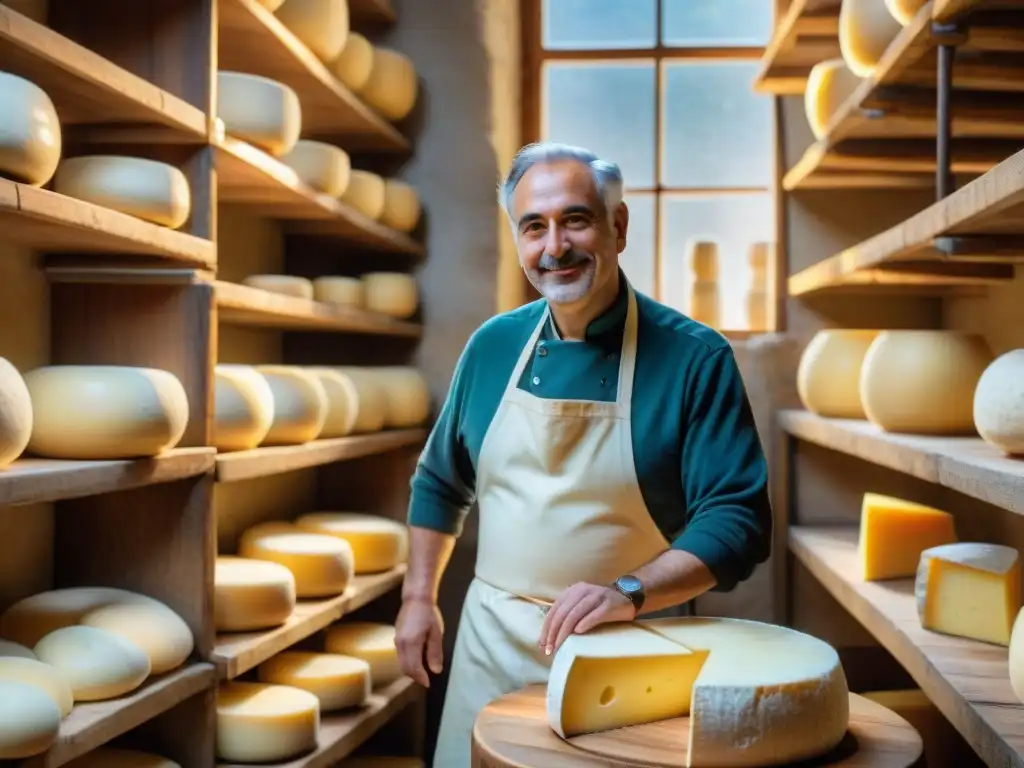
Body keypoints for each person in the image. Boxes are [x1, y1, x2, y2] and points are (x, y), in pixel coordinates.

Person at [395, 141, 773, 766]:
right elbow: (440, 481)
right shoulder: (492, 347)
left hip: (631, 656)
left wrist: (629, 589)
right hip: (490, 649)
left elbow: (737, 520)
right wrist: (417, 599)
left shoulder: (694, 358)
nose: (555, 247)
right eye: (534, 227)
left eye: (575, 219)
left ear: (617, 226)